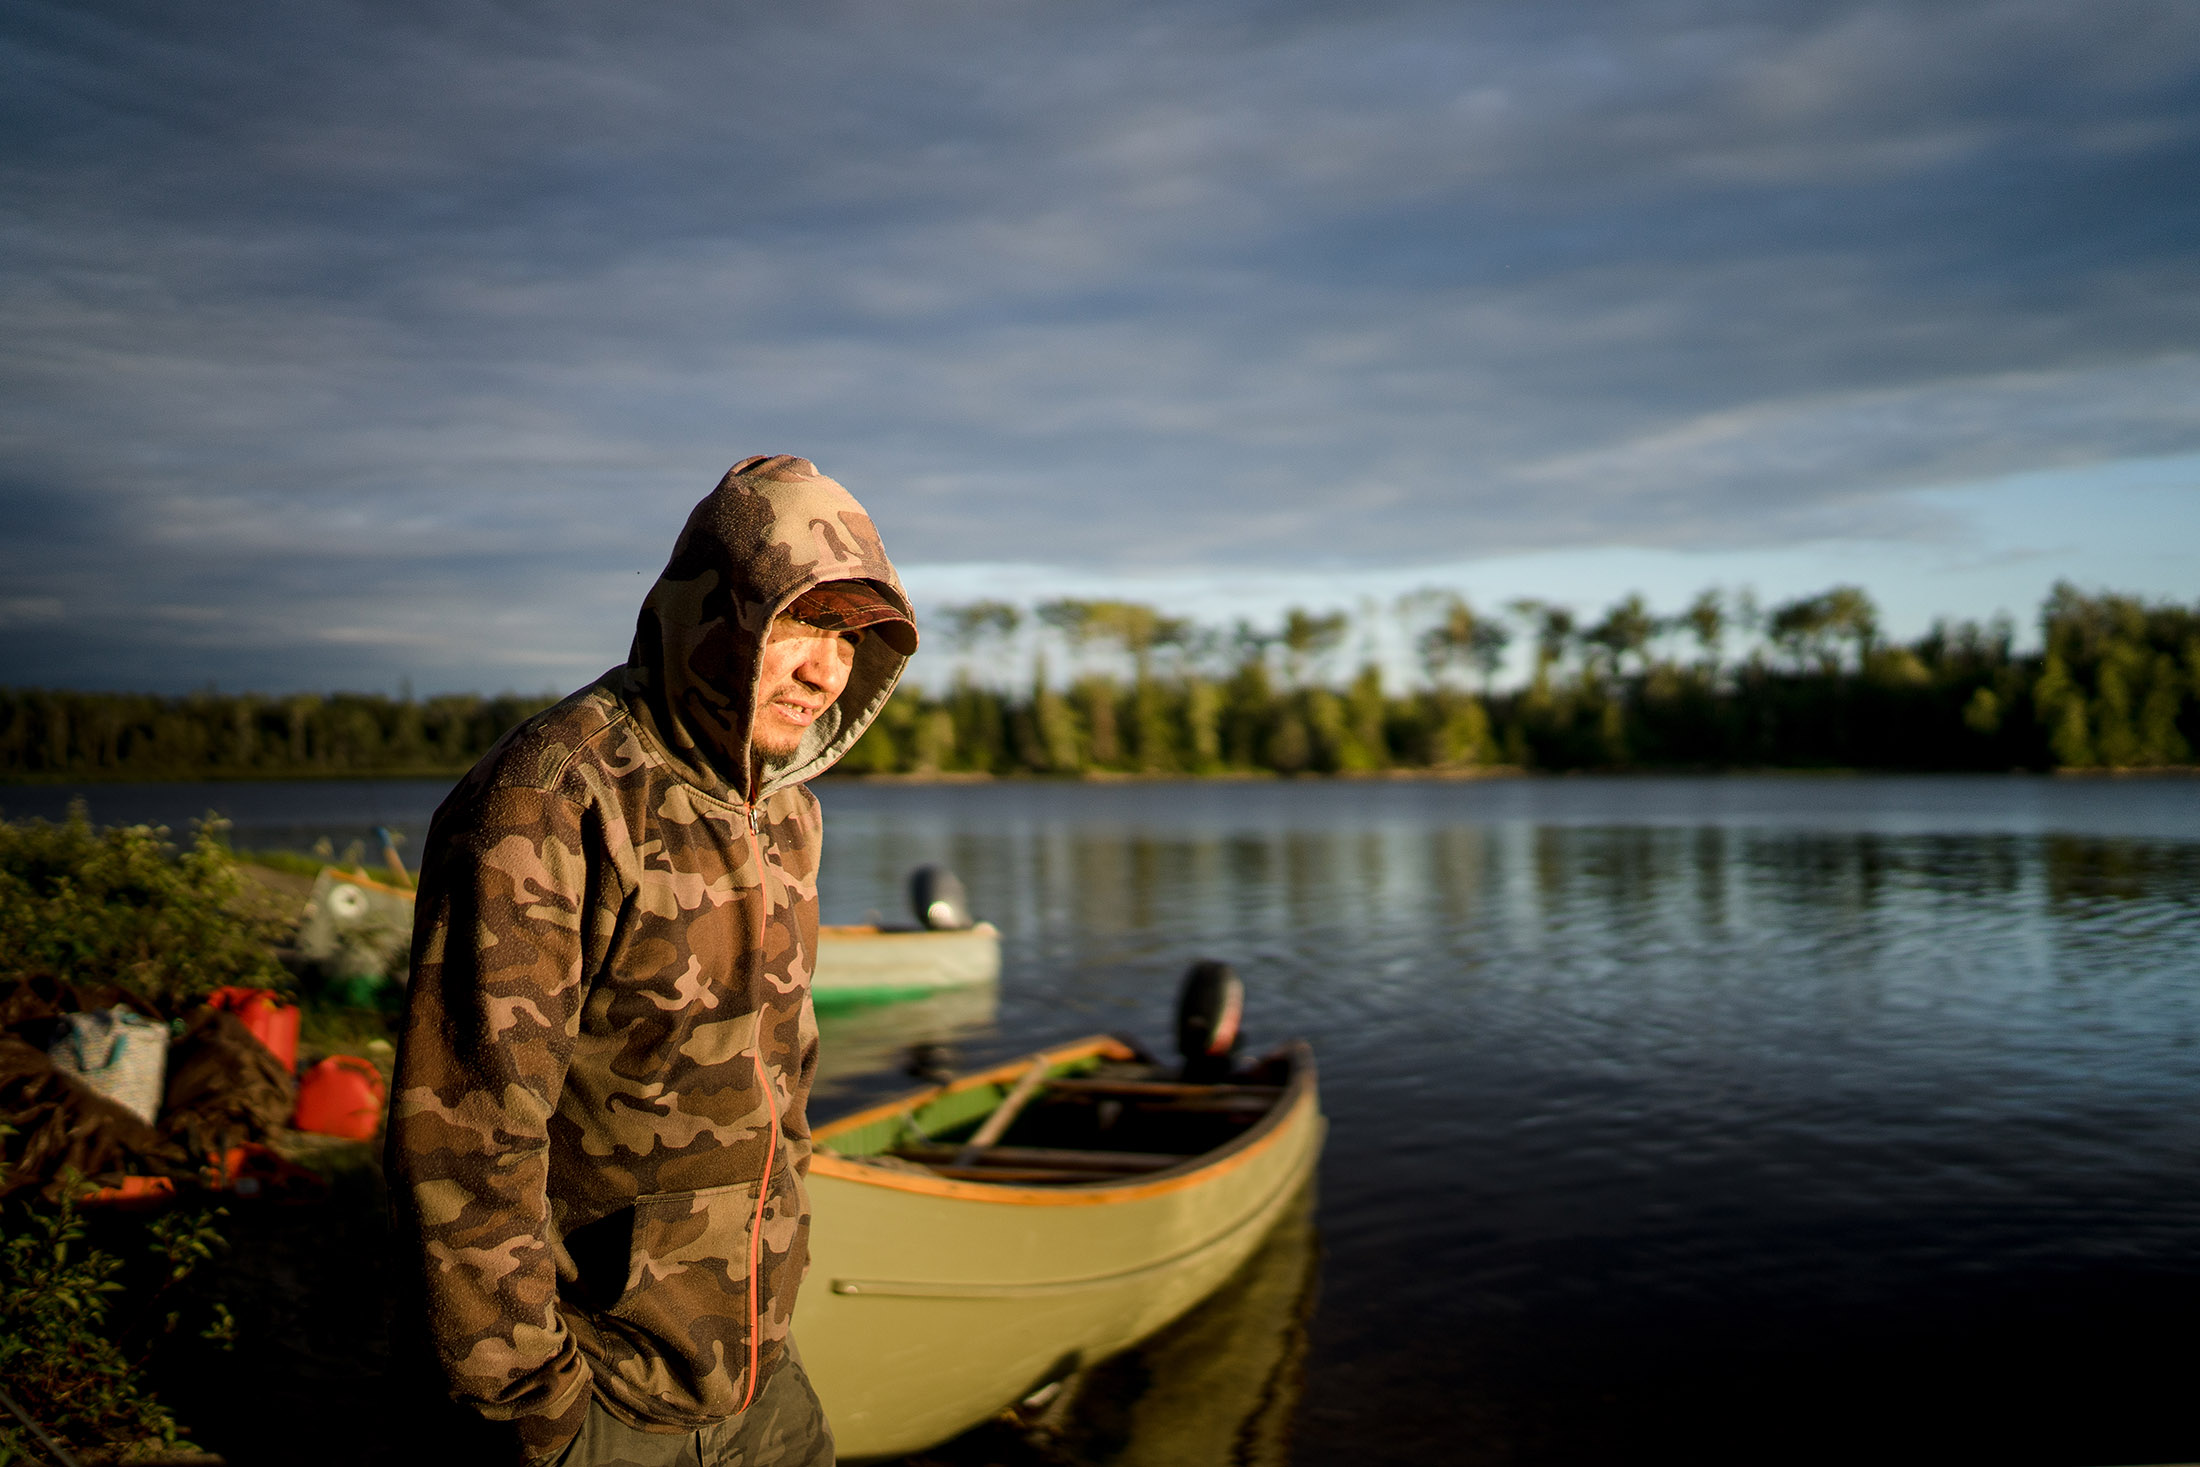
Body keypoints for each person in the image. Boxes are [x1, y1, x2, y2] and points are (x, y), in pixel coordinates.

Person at [386, 454, 917, 1467]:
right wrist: (539, 1415)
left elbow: (785, 1083)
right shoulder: (554, 799)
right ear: (713, 614)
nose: (826, 670)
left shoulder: (788, 812)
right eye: (802, 622)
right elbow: (464, 1139)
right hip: (598, 1396)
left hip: (757, 1374)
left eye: (855, 637)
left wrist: (776, 1295)